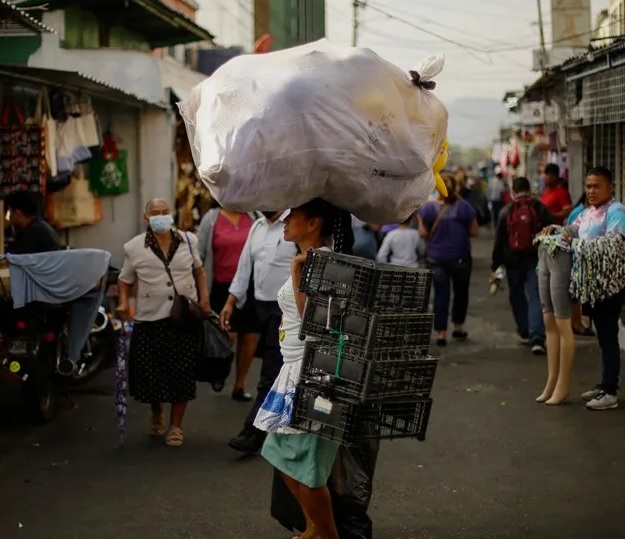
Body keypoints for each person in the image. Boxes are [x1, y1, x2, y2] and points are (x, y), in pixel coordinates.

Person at [254, 199, 354, 539]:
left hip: (316, 376)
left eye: (292, 216)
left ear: (313, 223)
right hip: (295, 372)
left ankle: (326, 534)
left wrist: (298, 274)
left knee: (306, 463)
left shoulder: (322, 262)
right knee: (280, 453)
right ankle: (315, 528)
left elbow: (317, 326)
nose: (284, 221)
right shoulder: (308, 260)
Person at [117, 199, 210, 446]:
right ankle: (156, 411)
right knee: (151, 376)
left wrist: (205, 299)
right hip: (150, 319)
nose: (160, 216)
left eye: (164, 212)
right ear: (146, 218)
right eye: (155, 213)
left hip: (183, 319)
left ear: (172, 214)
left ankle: (176, 426)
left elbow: (199, 272)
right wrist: (124, 302)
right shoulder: (134, 247)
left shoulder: (189, 241)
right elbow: (125, 280)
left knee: (181, 374)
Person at [220, 210, 297, 454]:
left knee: (270, 372)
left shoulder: (293, 226)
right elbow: (245, 267)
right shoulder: (257, 227)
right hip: (259, 304)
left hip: (285, 310)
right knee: (272, 370)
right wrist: (231, 301)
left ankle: (253, 433)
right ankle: (274, 426)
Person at [563, 166, 625, 410]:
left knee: (609, 336)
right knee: (603, 336)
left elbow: (614, 243)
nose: (590, 190)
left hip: (609, 285)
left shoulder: (616, 211)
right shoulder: (588, 212)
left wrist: (577, 243)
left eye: (596, 186)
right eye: (588, 186)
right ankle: (604, 384)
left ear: (610, 187)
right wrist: (559, 231)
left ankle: (610, 391)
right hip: (593, 286)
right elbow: (573, 229)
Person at [197, 203, 259, 401]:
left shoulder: (255, 216)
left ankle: (239, 385)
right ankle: (219, 371)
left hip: (250, 286)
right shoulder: (212, 218)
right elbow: (199, 255)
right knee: (226, 334)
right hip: (221, 286)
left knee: (249, 336)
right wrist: (200, 290)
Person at [491, 176, 551, 355]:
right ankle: (537, 337)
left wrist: (495, 266)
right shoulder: (540, 208)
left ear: (513, 191)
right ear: (530, 190)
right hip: (535, 258)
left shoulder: (506, 211)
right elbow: (551, 232)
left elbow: (499, 241)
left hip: (512, 261)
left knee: (516, 295)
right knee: (535, 295)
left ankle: (525, 331)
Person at [418, 174, 479, 346]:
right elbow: (474, 231)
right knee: (461, 293)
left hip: (436, 257)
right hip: (461, 257)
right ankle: (458, 327)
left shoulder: (429, 209)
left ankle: (441, 333)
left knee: (440, 294)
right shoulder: (465, 207)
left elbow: (422, 233)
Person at [567, 193, 594, 337]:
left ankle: (579, 322)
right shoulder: (580, 214)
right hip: (577, 257)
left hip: (580, 257)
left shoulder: (579, 212)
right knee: (576, 294)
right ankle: (576, 323)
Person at [6, 190, 64, 254]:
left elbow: (20, 260)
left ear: (18, 213)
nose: (9, 217)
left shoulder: (30, 234)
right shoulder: (41, 225)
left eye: (9, 212)